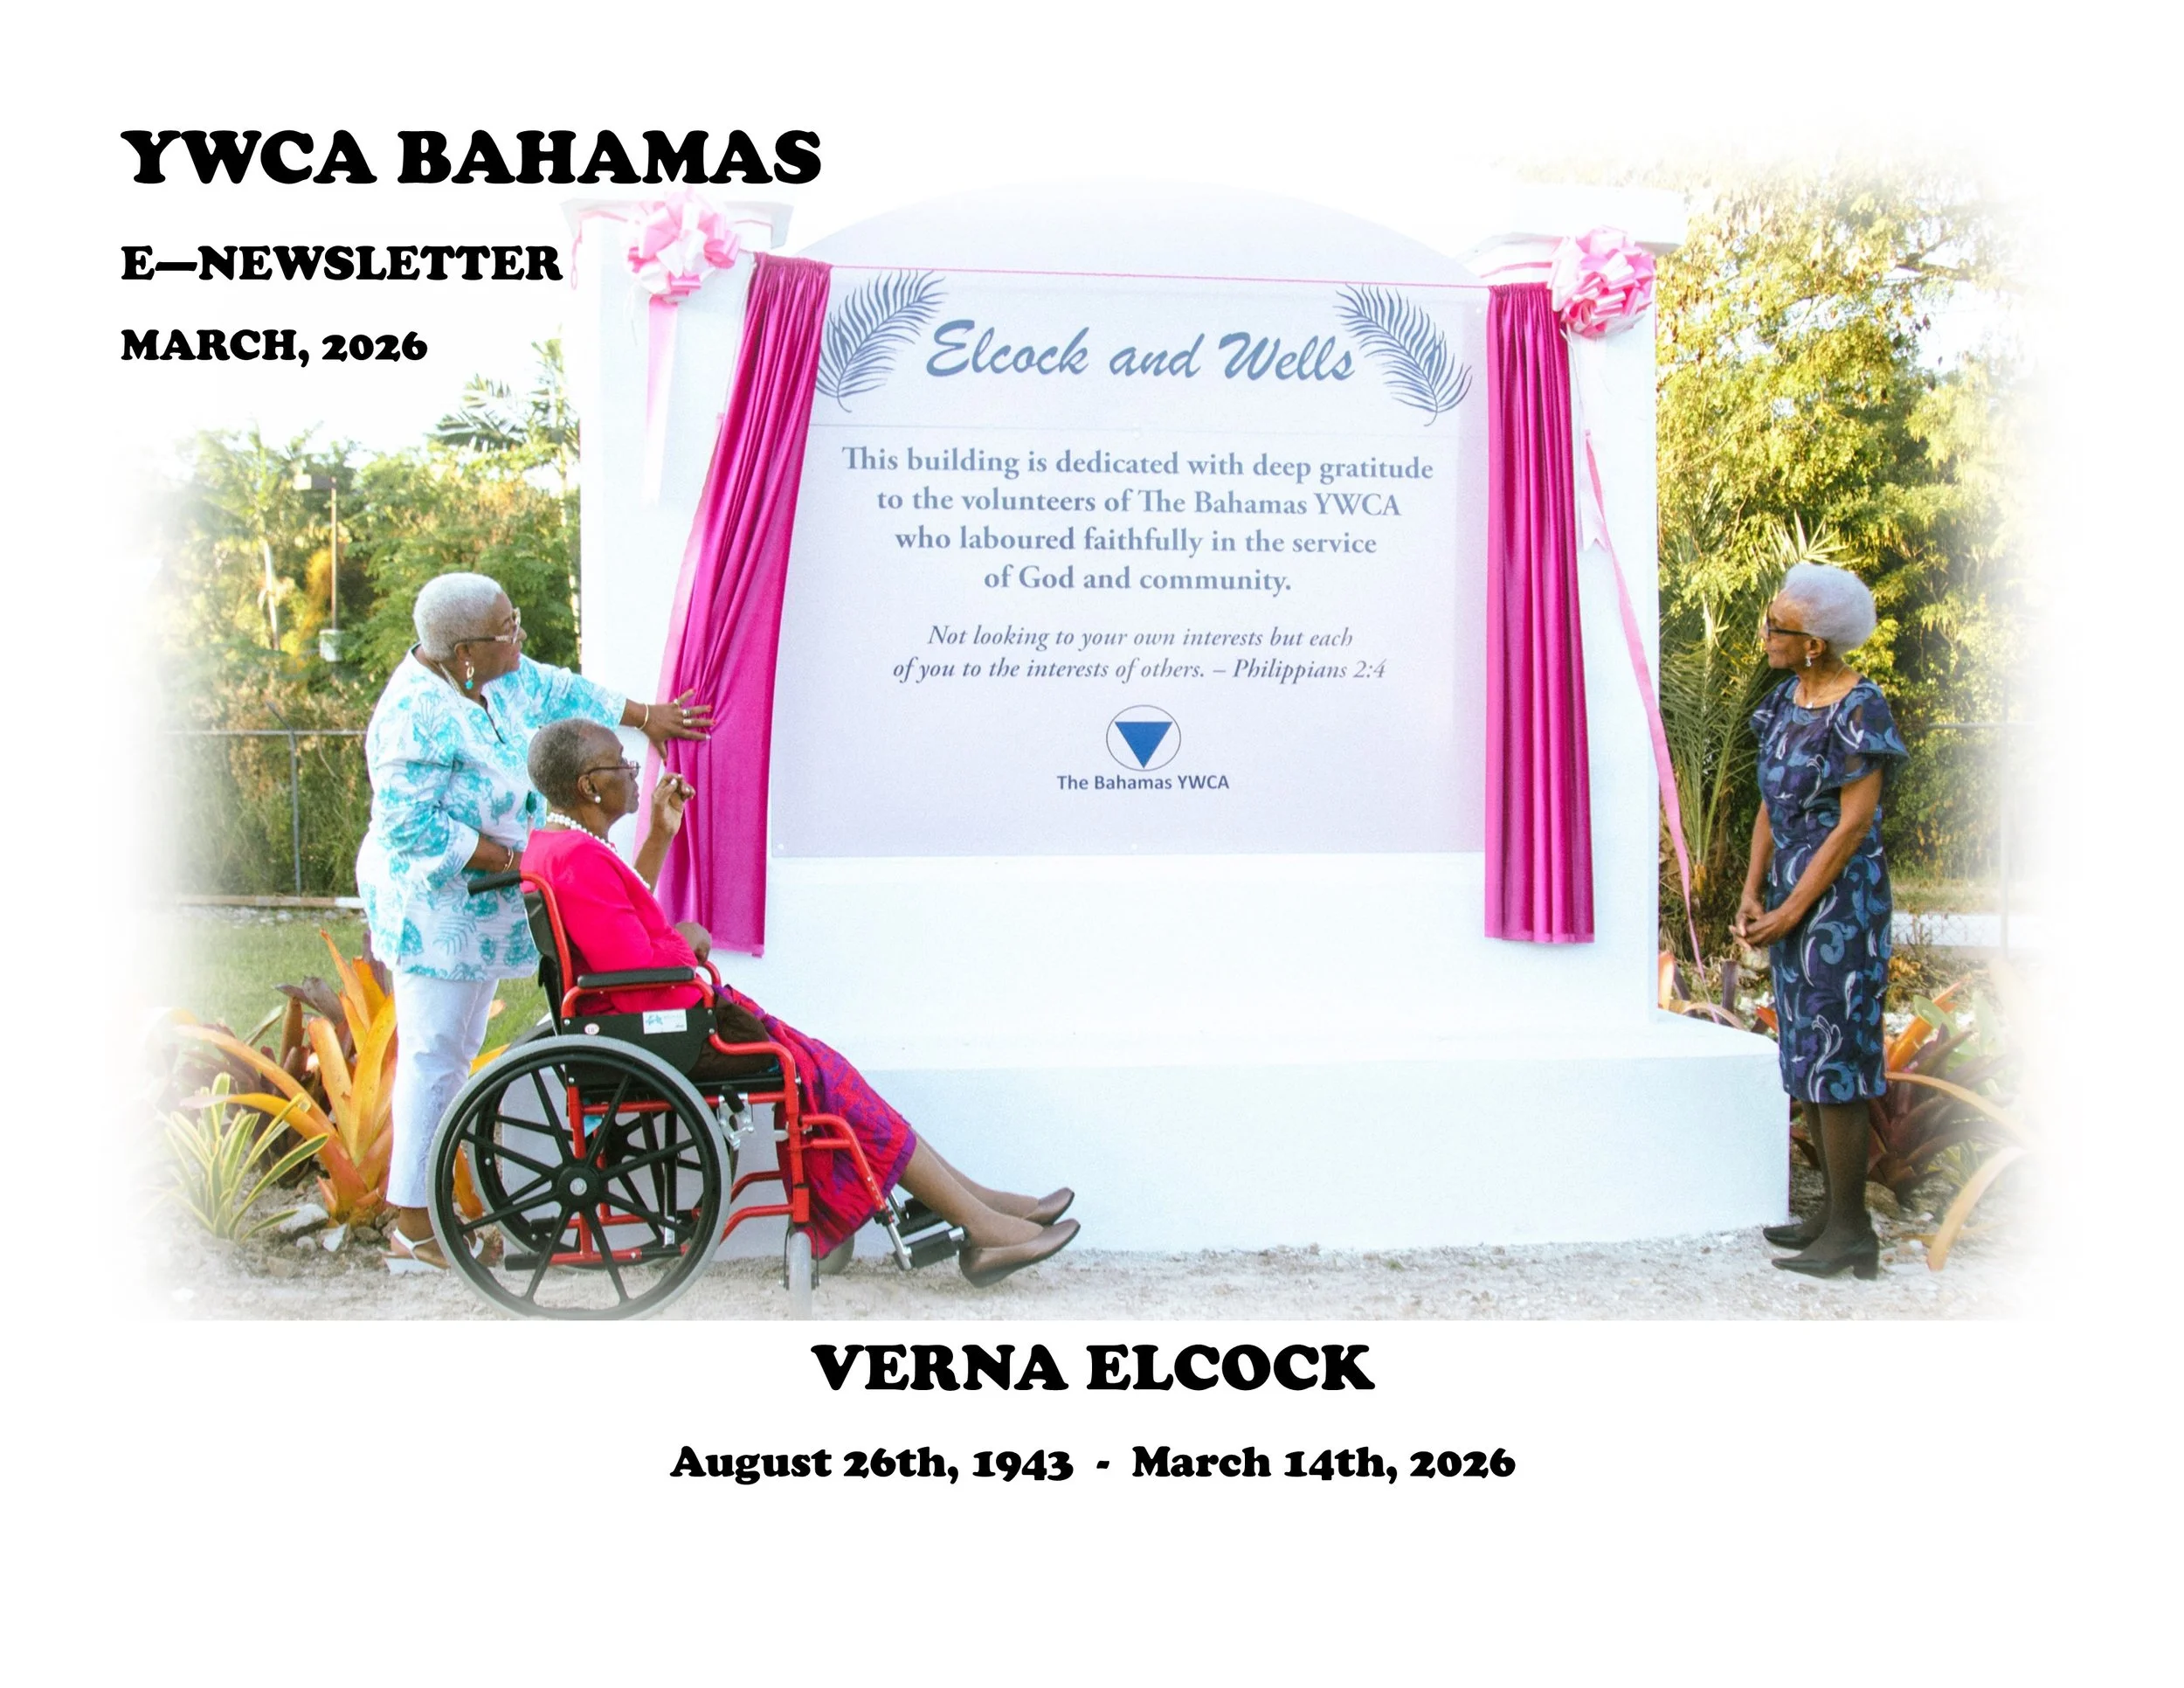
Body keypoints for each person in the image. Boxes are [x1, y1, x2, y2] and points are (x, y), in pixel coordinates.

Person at [521, 716, 1081, 1288]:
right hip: (667, 1027)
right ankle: (976, 1221)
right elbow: (636, 970)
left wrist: (662, 836)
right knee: (828, 1079)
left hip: (665, 1017)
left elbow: (624, 919)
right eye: (623, 764)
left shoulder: (563, 849)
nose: (636, 774)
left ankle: (977, 1205)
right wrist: (685, 942)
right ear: (591, 785)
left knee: (832, 1072)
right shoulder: (578, 858)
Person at [357, 571, 713, 1272]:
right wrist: (505, 856)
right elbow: (405, 822)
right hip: (434, 910)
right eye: (505, 629)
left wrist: (647, 717)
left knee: (456, 1051)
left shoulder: (505, 677)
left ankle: (431, 1214)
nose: (518, 636)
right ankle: (411, 1226)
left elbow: (564, 692)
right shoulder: (410, 717)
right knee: (434, 1056)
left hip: (490, 901)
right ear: (464, 651)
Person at [1731, 562, 1908, 1279]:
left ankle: (1854, 1233)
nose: (1766, 634)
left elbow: (1851, 825)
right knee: (1806, 1048)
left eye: (1779, 626)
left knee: (1838, 1054)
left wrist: (1793, 909)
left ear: (1816, 643)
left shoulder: (1860, 707)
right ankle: (1830, 1216)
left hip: (1840, 903)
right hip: (1786, 899)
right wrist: (1752, 894)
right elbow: (1771, 803)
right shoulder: (1784, 702)